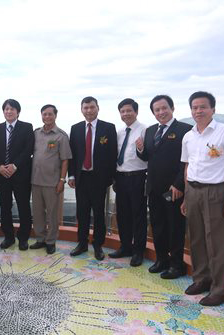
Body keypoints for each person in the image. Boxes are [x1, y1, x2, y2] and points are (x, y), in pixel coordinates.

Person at [181, 91, 224, 306]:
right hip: (192, 191)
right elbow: (187, 166)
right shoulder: (189, 136)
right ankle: (202, 279)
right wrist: (185, 195)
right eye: (194, 107)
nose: (198, 111)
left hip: (216, 192)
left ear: (213, 109)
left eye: (202, 107)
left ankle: (220, 289)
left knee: (218, 242)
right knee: (197, 239)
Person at [136, 95, 192, 279]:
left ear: (172, 108)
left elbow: (187, 162)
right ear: (153, 113)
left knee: (175, 226)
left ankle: (177, 264)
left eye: (164, 108)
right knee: (158, 224)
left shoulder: (185, 130)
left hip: (173, 189)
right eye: (157, 110)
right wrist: (140, 149)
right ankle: (161, 260)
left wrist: (179, 184)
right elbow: (148, 158)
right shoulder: (151, 130)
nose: (161, 112)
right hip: (153, 187)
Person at [68, 96, 118, 261]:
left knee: (98, 213)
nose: (89, 110)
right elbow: (72, 156)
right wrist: (72, 175)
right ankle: (82, 243)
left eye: (92, 107)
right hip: (81, 178)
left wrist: (110, 178)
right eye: (85, 108)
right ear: (81, 110)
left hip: (99, 178)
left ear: (98, 108)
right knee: (81, 213)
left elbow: (112, 154)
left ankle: (98, 245)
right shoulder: (75, 129)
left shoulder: (108, 128)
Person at [0, 99, 34, 250]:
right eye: (6, 109)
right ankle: (8, 237)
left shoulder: (27, 128)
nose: (9, 111)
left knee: (23, 207)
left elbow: (28, 149)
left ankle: (23, 238)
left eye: (12, 109)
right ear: (3, 112)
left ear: (18, 112)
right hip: (2, 176)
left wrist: (15, 165)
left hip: (21, 175)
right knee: (4, 207)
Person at [108, 98, 148, 266]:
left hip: (138, 177)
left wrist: (141, 148)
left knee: (138, 216)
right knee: (122, 215)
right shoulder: (119, 132)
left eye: (129, 111)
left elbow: (148, 156)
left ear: (136, 112)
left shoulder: (145, 130)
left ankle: (138, 251)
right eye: (123, 111)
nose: (126, 114)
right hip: (121, 178)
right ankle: (125, 246)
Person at [29, 104, 72, 254]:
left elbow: (65, 160)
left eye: (50, 114)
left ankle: (51, 241)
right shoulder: (35, 134)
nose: (47, 117)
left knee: (52, 213)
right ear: (41, 116)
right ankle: (40, 239)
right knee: (38, 212)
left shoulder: (61, 136)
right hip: (35, 180)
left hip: (52, 182)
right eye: (44, 114)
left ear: (55, 116)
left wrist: (62, 180)